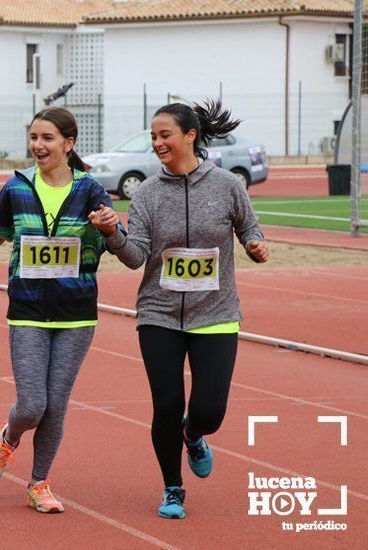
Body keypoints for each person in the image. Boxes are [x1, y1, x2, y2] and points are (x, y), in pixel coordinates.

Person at [89, 100, 269, 520]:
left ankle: (194, 434)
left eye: (164, 134)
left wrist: (255, 245)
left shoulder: (226, 184)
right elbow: (137, 258)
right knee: (166, 404)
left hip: (217, 312)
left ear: (190, 135)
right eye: (153, 136)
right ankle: (173, 488)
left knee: (210, 411)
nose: (157, 143)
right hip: (160, 314)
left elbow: (249, 226)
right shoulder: (148, 193)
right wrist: (113, 234)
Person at [0, 107, 113, 514]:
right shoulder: (18, 185)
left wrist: (109, 225)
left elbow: (118, 238)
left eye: (47, 139)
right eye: (34, 138)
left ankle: (39, 483)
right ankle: (9, 436)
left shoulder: (90, 189)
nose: (38, 146)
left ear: (68, 144)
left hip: (76, 311)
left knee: (56, 405)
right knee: (32, 405)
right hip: (26, 308)